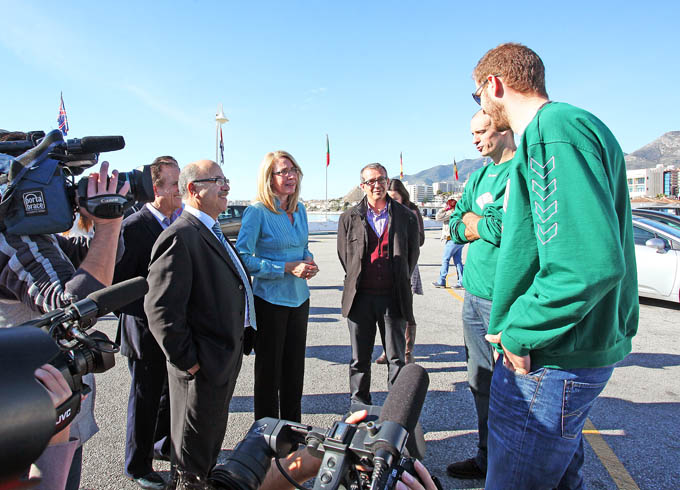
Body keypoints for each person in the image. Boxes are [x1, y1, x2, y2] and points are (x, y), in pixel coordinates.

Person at [472, 43, 638, 489]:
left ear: (495, 84)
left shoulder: (551, 129)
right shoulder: (575, 126)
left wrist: (520, 328)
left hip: (550, 358)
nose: (482, 109)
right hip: (568, 353)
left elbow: (588, 264)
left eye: (477, 98)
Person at [0, 130, 130, 490]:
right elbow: (71, 308)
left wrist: (104, 219)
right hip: (30, 414)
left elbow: (96, 260)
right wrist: (109, 223)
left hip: (41, 403)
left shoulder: (33, 234)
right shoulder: (12, 238)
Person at [144, 160, 257, 488]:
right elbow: (161, 311)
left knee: (207, 448)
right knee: (192, 459)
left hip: (220, 361)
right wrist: (190, 363)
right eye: (217, 181)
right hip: (200, 370)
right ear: (193, 190)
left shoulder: (211, 231)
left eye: (226, 179)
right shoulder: (181, 237)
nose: (226, 187)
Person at [444, 111, 516, 480]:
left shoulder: (520, 171)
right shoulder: (479, 176)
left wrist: (478, 221)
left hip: (507, 300)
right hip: (473, 296)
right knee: (480, 382)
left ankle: (510, 467)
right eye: (471, 133)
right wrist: (474, 222)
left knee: (518, 390)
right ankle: (486, 460)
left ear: (503, 128)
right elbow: (455, 227)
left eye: (481, 131)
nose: (474, 139)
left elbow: (506, 229)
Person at [113, 156, 182, 489]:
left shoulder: (175, 222)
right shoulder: (134, 226)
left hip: (170, 331)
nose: (181, 189)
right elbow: (117, 286)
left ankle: (159, 445)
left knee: (166, 394)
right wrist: (151, 312)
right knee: (143, 400)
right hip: (142, 331)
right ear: (156, 189)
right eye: (174, 184)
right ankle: (137, 466)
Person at [236, 151, 317, 423]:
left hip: (299, 299)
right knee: (269, 375)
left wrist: (309, 261)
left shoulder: (301, 209)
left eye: (294, 170)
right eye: (283, 171)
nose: (291, 175)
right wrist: (284, 268)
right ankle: (265, 437)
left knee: (295, 372)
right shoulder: (256, 212)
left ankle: (293, 434)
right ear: (268, 178)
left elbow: (302, 247)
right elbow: (243, 259)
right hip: (269, 302)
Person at [337, 163, 420, 405]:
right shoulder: (349, 217)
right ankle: (359, 406)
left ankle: (396, 409)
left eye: (381, 179)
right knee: (359, 359)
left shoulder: (406, 217)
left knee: (396, 359)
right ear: (362, 186)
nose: (377, 185)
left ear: (387, 181)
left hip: (393, 297)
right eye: (371, 181)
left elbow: (412, 255)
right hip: (360, 297)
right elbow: (345, 255)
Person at [375, 179, 424, 365]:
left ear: (403, 197)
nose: (392, 201)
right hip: (386, 267)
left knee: (406, 309)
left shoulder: (411, 212)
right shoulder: (383, 211)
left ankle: (407, 351)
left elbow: (420, 240)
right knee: (386, 310)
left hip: (407, 265)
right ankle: (388, 349)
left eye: (396, 198)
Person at [432, 198, 464, 289]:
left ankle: (441, 281)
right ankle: (461, 282)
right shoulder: (460, 212)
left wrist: (444, 209)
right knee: (458, 261)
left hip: (452, 240)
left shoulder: (450, 213)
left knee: (445, 259)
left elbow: (438, 217)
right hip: (460, 240)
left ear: (449, 206)